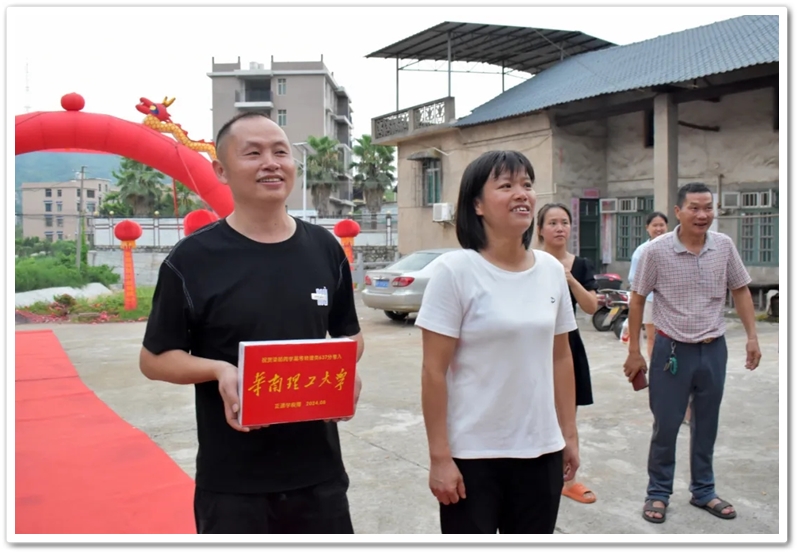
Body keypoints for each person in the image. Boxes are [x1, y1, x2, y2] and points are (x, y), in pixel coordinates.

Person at [138, 112, 364, 534]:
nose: (271, 163)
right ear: (221, 171)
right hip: (233, 482)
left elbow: (349, 334)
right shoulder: (192, 259)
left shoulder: (324, 248)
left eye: (281, 152)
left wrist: (342, 369)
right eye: (253, 153)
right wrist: (219, 370)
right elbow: (154, 359)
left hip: (319, 475)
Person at [416, 150, 580, 534]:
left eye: (527, 184)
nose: (521, 194)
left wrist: (568, 436)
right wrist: (439, 456)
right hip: (473, 455)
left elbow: (560, 358)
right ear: (477, 205)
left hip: (541, 449)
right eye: (506, 186)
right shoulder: (455, 271)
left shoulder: (551, 270)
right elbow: (433, 371)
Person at [623, 182, 761, 524]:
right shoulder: (657, 251)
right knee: (666, 425)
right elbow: (637, 300)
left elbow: (740, 290)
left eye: (708, 208)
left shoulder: (724, 246)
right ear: (678, 211)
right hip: (671, 352)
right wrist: (635, 351)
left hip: (714, 349)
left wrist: (752, 337)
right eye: (694, 208)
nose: (703, 215)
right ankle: (658, 492)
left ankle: (703, 490)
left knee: (707, 424)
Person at [537, 202, 599, 505]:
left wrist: (569, 277)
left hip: (567, 342)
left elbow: (591, 306)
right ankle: (538, 476)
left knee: (566, 412)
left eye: (564, 222)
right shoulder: (530, 262)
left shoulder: (581, 265)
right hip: (535, 342)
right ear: (540, 230)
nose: (559, 228)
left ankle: (568, 480)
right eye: (552, 223)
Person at [628, 212, 669, 360]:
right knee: (653, 337)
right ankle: (655, 367)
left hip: (669, 301)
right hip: (649, 300)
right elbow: (633, 279)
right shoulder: (641, 251)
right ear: (647, 228)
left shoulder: (672, 247)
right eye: (654, 225)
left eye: (661, 225)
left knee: (670, 337)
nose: (658, 229)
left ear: (667, 226)